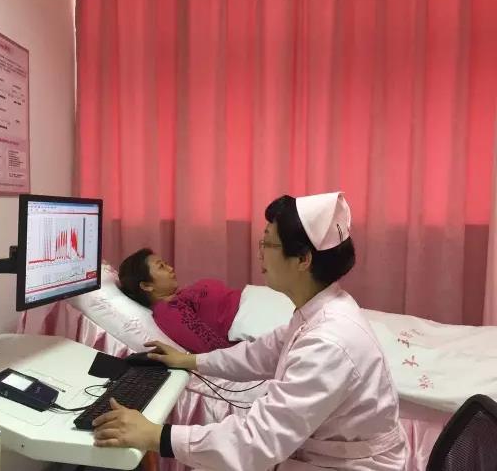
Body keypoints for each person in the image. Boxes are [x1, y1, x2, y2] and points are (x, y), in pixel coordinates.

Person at [93, 192, 406, 470]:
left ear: (303, 259)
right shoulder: (318, 310)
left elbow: (257, 442)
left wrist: (155, 435)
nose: (260, 253)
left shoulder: (328, 343)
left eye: (267, 243)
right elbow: (261, 353)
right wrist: (190, 361)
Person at [118, 248, 240, 353]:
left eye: (166, 264)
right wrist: (243, 356)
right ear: (146, 286)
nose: (170, 268)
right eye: (161, 266)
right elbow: (211, 346)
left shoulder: (179, 297)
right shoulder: (166, 312)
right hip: (246, 324)